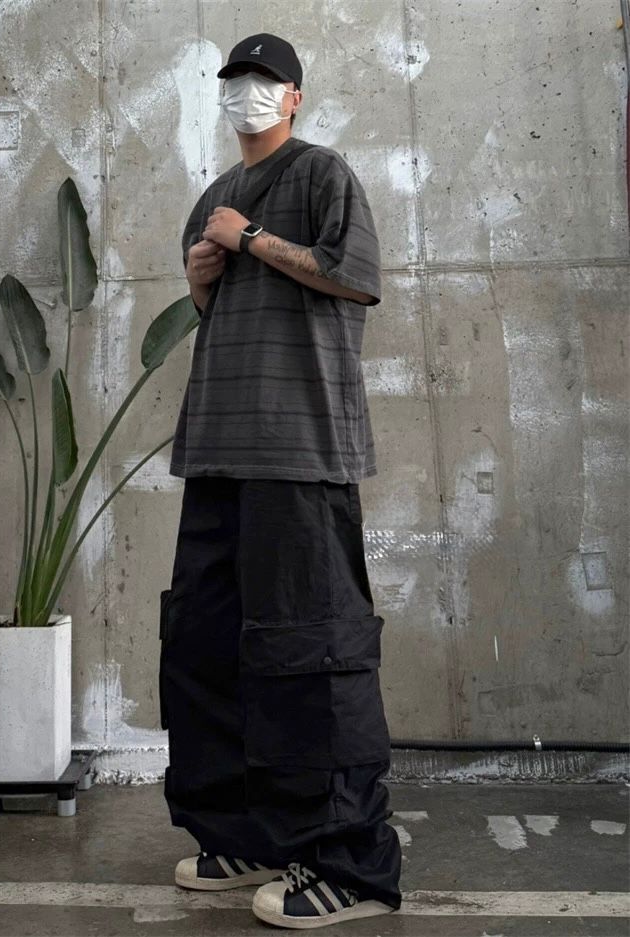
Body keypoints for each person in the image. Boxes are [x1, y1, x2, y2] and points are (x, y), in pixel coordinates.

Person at [159, 32, 402, 929]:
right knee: (207, 650)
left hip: (299, 451)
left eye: (264, 80)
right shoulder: (214, 194)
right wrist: (201, 281)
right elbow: (223, 312)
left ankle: (352, 864)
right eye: (235, 79)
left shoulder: (322, 173)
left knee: (313, 656)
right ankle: (245, 834)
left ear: (294, 96)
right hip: (217, 449)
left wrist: (252, 238)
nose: (247, 92)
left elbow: (355, 277)